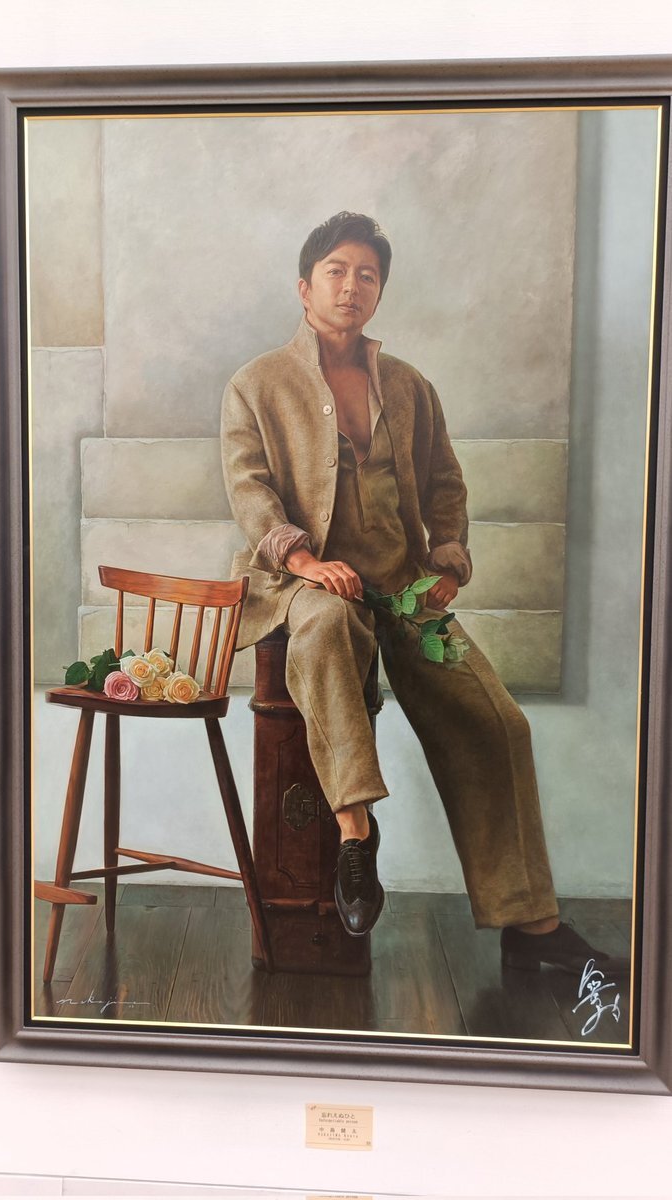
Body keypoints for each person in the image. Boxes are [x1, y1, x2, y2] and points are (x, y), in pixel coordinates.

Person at [221, 211, 628, 977]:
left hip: (404, 592)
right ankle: (356, 836)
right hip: (308, 587)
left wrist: (446, 563)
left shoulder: (409, 386)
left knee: (496, 721)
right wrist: (302, 559)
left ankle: (531, 928)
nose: (351, 286)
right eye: (336, 271)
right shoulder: (256, 383)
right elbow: (249, 490)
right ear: (304, 286)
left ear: (379, 290)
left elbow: (445, 483)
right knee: (326, 630)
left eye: (367, 275)